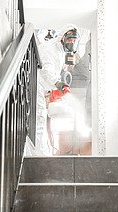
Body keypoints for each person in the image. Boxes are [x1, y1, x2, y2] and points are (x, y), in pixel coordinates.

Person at [36, 24, 80, 155]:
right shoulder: (49, 48)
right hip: (37, 85)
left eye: (74, 41)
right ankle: (39, 155)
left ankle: (40, 153)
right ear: (62, 37)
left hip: (44, 88)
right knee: (39, 119)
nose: (71, 43)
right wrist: (58, 84)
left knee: (41, 119)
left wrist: (55, 87)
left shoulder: (60, 51)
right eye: (69, 40)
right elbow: (46, 71)